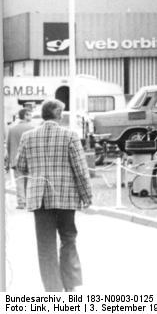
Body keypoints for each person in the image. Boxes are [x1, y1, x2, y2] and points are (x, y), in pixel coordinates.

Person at [15, 99, 92, 292]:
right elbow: (81, 170)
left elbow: (21, 166)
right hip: (66, 197)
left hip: (39, 199)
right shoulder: (70, 136)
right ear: (58, 114)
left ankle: (53, 290)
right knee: (68, 238)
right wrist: (87, 196)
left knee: (45, 246)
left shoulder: (28, 136)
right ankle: (71, 284)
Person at [7, 107, 36, 208]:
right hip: (30, 159)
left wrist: (9, 160)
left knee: (19, 180)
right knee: (29, 181)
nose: (31, 116)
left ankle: (21, 203)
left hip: (16, 159)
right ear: (25, 116)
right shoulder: (33, 128)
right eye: (29, 114)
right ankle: (28, 202)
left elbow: (9, 145)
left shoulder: (12, 129)